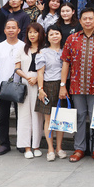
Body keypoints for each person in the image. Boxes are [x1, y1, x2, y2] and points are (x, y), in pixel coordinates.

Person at [59, 7, 94, 163]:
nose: (88, 21)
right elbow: (66, 63)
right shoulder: (72, 39)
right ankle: (79, 148)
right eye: (85, 19)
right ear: (80, 21)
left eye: (90, 18)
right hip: (76, 86)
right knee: (80, 117)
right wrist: (63, 85)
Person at [0, 18, 25, 155]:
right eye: (8, 28)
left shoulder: (24, 46)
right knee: (2, 117)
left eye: (13, 27)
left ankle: (22, 143)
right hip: (2, 87)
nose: (11, 30)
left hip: (20, 87)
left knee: (21, 117)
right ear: (4, 30)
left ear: (18, 30)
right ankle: (5, 144)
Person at [13, 23, 45, 159]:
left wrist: (37, 79)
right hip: (25, 83)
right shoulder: (22, 48)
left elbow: (47, 69)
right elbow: (17, 68)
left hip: (40, 83)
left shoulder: (44, 49)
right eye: (30, 32)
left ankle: (36, 146)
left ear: (40, 34)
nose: (32, 35)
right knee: (24, 115)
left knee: (38, 115)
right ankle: (26, 147)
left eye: (35, 32)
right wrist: (27, 77)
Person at [35, 25, 66, 161]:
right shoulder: (43, 52)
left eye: (57, 33)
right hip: (48, 86)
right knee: (48, 119)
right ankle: (50, 148)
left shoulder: (65, 51)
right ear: (47, 37)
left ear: (61, 35)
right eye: (51, 34)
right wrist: (40, 89)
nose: (54, 36)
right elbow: (40, 73)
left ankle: (59, 147)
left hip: (63, 86)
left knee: (60, 118)